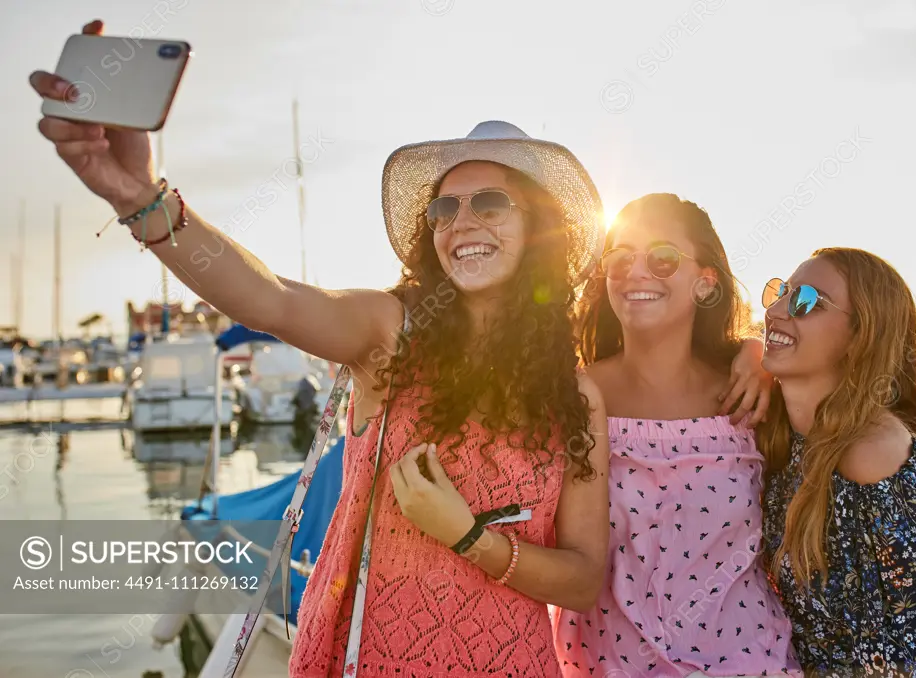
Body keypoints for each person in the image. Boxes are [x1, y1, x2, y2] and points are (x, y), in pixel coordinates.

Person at [31, 21, 610, 677]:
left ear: (540, 228)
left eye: (490, 203)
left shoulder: (575, 392)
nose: (461, 224)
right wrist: (141, 197)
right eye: (443, 210)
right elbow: (268, 298)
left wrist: (468, 537)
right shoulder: (391, 332)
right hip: (379, 658)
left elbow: (584, 579)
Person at [555, 193, 802, 677]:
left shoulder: (749, 396)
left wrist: (758, 353)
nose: (635, 270)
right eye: (620, 257)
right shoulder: (573, 398)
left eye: (663, 257)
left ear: (706, 283)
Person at [758, 248, 916, 676]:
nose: (777, 310)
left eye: (806, 300)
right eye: (781, 292)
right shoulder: (787, 437)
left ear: (860, 336)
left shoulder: (871, 453)